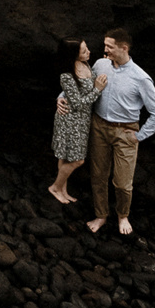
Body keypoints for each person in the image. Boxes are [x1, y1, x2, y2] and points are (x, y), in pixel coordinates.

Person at [58, 27, 155, 235]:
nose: (104, 49)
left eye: (109, 46)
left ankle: (122, 215)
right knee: (98, 176)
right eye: (105, 45)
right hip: (98, 126)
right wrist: (61, 97)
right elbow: (81, 83)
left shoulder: (140, 78)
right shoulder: (100, 64)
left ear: (123, 48)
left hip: (125, 131)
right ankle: (101, 215)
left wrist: (139, 135)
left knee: (123, 183)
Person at [46, 38, 104, 205]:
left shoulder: (86, 65)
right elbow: (77, 104)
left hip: (82, 120)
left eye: (87, 49)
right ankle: (56, 187)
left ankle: (63, 190)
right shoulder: (67, 75)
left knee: (65, 157)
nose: (89, 52)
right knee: (77, 160)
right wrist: (97, 90)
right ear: (73, 55)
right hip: (70, 120)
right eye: (84, 51)